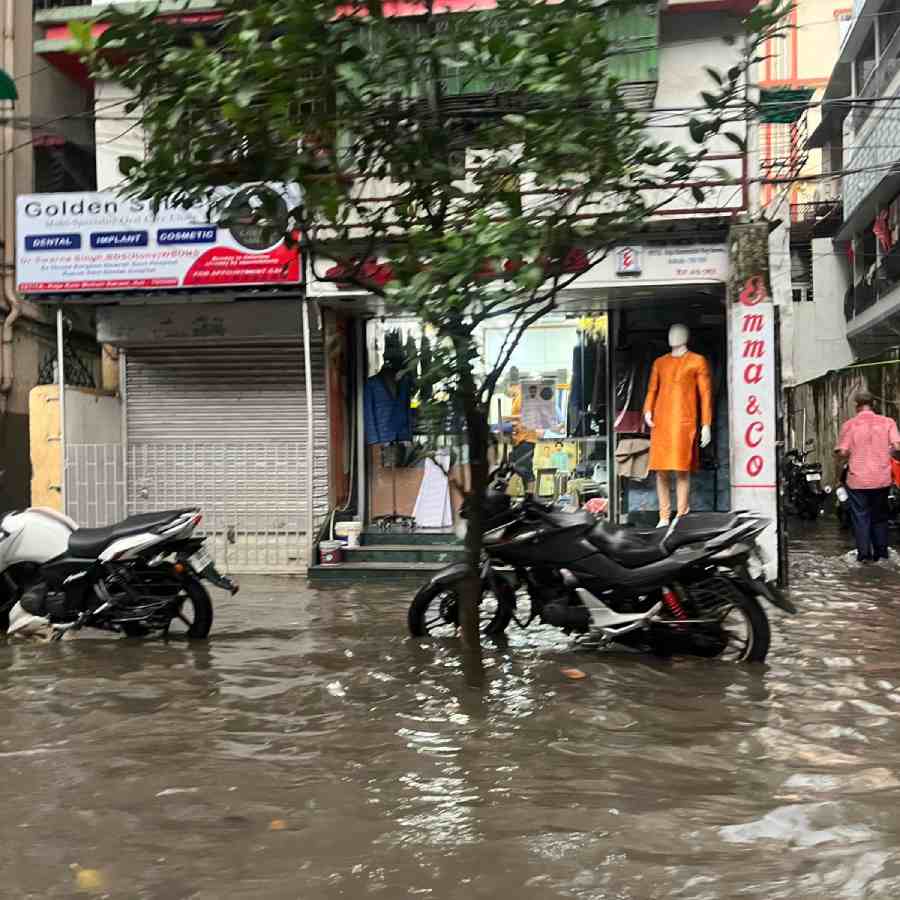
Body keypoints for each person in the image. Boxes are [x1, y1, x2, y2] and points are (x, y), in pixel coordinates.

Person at [834, 389, 900, 563]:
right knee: (880, 517)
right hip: (882, 478)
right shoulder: (888, 422)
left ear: (857, 406)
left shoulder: (850, 425)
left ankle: (864, 558)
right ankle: (882, 555)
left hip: (857, 480)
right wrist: (885, 454)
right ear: (874, 404)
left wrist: (847, 457)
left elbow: (842, 451)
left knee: (861, 517)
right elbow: (897, 446)